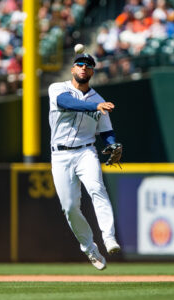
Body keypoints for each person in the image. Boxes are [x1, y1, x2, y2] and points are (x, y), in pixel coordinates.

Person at [48, 52, 121, 270]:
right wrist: (96, 108)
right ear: (72, 69)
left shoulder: (99, 100)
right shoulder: (57, 89)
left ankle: (109, 238)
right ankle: (89, 248)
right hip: (60, 155)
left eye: (88, 65)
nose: (83, 68)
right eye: (79, 64)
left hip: (86, 152)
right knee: (69, 207)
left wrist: (113, 144)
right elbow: (67, 103)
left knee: (97, 189)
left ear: (92, 71)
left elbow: (106, 131)